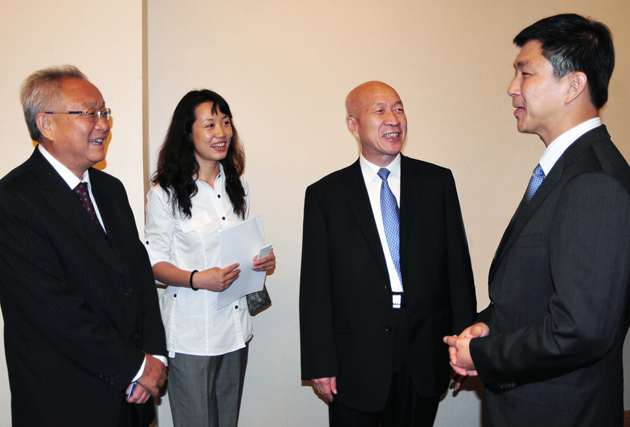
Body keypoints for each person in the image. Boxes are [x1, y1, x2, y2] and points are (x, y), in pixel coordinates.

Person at [444, 14, 630, 426]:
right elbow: (534, 292)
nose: (512, 87)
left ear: (574, 85)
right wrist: (487, 326)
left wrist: (483, 355)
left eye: (525, 73)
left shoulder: (594, 181)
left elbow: (580, 330)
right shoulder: (566, 170)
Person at [299, 81, 477, 426]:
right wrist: (320, 362)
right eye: (379, 111)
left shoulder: (437, 182)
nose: (393, 119)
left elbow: (458, 270)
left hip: (425, 346)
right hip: (356, 355)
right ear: (353, 125)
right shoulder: (326, 195)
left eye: (399, 108)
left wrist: (464, 343)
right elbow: (316, 288)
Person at [0, 65, 167, 427]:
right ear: (46, 124)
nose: (103, 124)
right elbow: (56, 310)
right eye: (89, 113)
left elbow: (139, 277)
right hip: (67, 400)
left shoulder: (110, 190)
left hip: (132, 400)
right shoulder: (14, 200)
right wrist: (136, 367)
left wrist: (154, 357)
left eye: (104, 112)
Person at [144, 89, 276, 427]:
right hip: (191, 333)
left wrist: (262, 262)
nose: (221, 132)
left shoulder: (238, 185)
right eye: (210, 124)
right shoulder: (164, 193)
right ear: (187, 133)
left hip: (234, 329)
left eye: (226, 122)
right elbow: (153, 263)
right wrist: (197, 278)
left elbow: (240, 247)